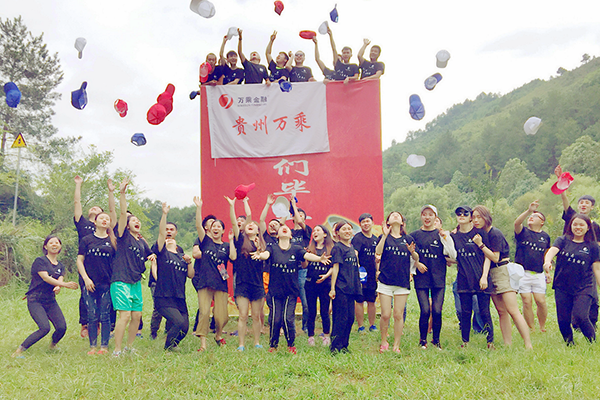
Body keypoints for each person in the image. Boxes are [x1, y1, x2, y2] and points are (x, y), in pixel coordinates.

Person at [472, 205, 532, 349]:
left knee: (512, 310)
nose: (476, 220)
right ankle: (507, 344)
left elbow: (495, 257)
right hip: (492, 273)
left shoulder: (495, 233)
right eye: (473, 217)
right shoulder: (482, 233)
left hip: (503, 270)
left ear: (486, 217)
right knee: (501, 311)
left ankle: (528, 344)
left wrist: (480, 245)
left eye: (479, 217)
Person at [267, 223, 330, 354]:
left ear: (291, 236)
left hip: (290, 291)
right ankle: (273, 345)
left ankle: (291, 345)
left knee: (287, 319)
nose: (284, 228)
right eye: (281, 228)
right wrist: (260, 255)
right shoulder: (272, 248)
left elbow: (307, 256)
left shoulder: (296, 249)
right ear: (277, 235)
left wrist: (319, 259)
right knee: (275, 319)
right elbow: (265, 255)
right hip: (274, 291)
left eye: (287, 229)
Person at [12, 236, 79, 358]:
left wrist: (58, 286)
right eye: (51, 243)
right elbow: (45, 277)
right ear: (45, 246)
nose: (54, 244)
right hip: (35, 299)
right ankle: (19, 351)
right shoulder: (40, 261)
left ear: (60, 246)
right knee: (44, 328)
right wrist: (65, 285)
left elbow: (59, 279)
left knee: (61, 327)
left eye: (57, 243)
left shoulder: (60, 266)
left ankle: (53, 346)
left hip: (50, 300)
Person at [110, 178, 152, 357]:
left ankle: (129, 347)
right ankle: (117, 350)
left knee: (136, 316)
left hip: (135, 282)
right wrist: (121, 193)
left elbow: (150, 254)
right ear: (127, 225)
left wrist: (152, 257)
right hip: (121, 280)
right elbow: (121, 213)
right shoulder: (123, 236)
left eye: (138, 220)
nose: (137, 222)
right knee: (125, 316)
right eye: (133, 220)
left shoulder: (141, 241)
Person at [543, 214, 600, 344]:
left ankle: (592, 342)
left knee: (581, 316)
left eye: (581, 225)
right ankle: (569, 343)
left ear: (588, 228)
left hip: (584, 286)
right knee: (563, 320)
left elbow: (597, 269)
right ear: (571, 226)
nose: (578, 227)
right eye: (575, 224)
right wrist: (547, 262)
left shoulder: (593, 246)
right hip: (562, 286)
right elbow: (552, 251)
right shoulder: (563, 240)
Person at [554, 165, 600, 328]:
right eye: (581, 202)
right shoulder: (571, 217)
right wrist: (561, 182)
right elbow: (564, 201)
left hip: (588, 265)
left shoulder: (595, 226)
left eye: (587, 203)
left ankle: (590, 322)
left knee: (591, 295)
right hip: (568, 264)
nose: (583, 205)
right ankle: (576, 323)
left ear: (592, 207)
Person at [226, 196, 270, 351]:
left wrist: (259, 250)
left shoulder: (262, 244)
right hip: (242, 283)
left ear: (258, 230)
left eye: (254, 225)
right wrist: (233, 206)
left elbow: (265, 256)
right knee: (243, 315)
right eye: (248, 225)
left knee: (256, 316)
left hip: (257, 284)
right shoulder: (240, 240)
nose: (250, 225)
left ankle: (257, 342)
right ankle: (241, 344)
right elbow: (235, 222)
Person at [410, 205, 456, 350]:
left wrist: (446, 238)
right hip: (421, 278)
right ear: (421, 216)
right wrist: (417, 264)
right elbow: (409, 255)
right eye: (424, 214)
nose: (427, 217)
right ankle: (422, 340)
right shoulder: (414, 235)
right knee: (425, 310)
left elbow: (453, 254)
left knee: (437, 310)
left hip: (438, 277)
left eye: (430, 214)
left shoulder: (442, 235)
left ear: (435, 217)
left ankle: (436, 341)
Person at [193, 196, 236, 351]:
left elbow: (233, 257)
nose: (216, 228)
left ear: (223, 230)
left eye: (219, 226)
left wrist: (231, 240)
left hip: (220, 283)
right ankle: (203, 344)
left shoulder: (226, 245)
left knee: (221, 316)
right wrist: (199, 207)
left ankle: (218, 335)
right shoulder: (206, 242)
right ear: (209, 230)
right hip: (204, 282)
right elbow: (198, 225)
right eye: (213, 226)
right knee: (204, 313)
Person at [450, 206, 494, 348]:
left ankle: (490, 341)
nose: (462, 215)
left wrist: (484, 276)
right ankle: (465, 342)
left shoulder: (480, 234)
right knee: (465, 312)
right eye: (459, 213)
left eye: (465, 213)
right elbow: (451, 256)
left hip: (480, 277)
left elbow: (488, 256)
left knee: (484, 311)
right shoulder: (453, 236)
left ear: (471, 217)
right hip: (464, 279)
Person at [152, 203, 194, 351]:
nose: (169, 237)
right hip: (164, 297)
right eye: (167, 232)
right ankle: (167, 348)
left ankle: (174, 345)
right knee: (178, 322)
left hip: (179, 297)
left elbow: (191, 275)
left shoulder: (182, 256)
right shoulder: (162, 253)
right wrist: (164, 214)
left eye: (172, 232)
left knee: (185, 327)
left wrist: (189, 262)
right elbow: (161, 234)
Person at [375, 212, 419, 353]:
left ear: (402, 222)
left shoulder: (408, 239)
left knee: (398, 314)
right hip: (385, 281)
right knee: (385, 314)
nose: (395, 216)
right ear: (388, 222)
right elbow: (378, 252)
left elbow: (416, 258)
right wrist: (384, 235)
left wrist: (412, 252)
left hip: (402, 282)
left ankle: (396, 345)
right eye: (392, 215)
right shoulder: (384, 237)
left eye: (397, 215)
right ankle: (384, 341)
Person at [76, 209, 116, 355]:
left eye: (107, 219)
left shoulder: (113, 241)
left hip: (107, 284)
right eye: (101, 218)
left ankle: (104, 346)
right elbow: (79, 260)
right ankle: (93, 346)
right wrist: (86, 278)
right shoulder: (87, 240)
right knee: (92, 315)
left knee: (105, 315)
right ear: (95, 222)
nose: (104, 220)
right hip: (89, 284)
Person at [73, 175, 104, 338]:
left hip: (102, 264)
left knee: (101, 294)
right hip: (85, 264)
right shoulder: (83, 223)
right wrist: (78, 185)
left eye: (98, 208)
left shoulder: (105, 227)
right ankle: (85, 324)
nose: (94, 208)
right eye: (92, 207)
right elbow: (77, 203)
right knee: (85, 293)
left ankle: (98, 322)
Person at [514, 200, 551, 332]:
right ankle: (531, 328)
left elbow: (547, 255)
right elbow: (517, 223)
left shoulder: (545, 237)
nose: (531, 217)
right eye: (530, 216)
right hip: (522, 272)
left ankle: (542, 326)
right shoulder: (522, 232)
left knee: (540, 301)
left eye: (535, 216)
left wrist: (548, 272)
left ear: (542, 222)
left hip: (538, 273)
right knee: (526, 300)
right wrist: (529, 210)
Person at [329, 220, 363, 353]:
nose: (347, 231)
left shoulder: (352, 248)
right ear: (337, 233)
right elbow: (335, 268)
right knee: (340, 318)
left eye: (349, 229)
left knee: (350, 318)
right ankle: (335, 347)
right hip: (341, 288)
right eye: (344, 229)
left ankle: (344, 345)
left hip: (351, 288)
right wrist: (333, 288)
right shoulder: (337, 248)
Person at [305, 225, 334, 346]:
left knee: (324, 311)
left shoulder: (331, 249)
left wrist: (326, 276)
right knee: (311, 311)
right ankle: (311, 337)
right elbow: (304, 266)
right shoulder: (310, 249)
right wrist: (304, 257)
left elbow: (334, 266)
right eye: (314, 231)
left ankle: (326, 336)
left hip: (325, 284)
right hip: (310, 283)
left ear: (325, 234)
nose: (315, 232)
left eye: (318, 230)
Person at [351, 213, 379, 333]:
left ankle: (372, 325)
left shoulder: (376, 240)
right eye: (363, 222)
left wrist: (378, 271)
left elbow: (378, 256)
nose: (366, 224)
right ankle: (361, 326)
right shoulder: (357, 238)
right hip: (361, 275)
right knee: (360, 300)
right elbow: (355, 254)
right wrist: (357, 268)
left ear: (372, 223)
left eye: (368, 221)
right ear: (360, 224)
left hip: (372, 275)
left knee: (372, 301)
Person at [290, 197, 312, 333]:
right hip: (290, 270)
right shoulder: (288, 232)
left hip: (303, 270)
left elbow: (299, 221)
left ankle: (306, 327)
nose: (299, 216)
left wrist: (294, 205)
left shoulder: (307, 230)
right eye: (297, 214)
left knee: (305, 302)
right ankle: (290, 326)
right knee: (290, 301)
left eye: (302, 214)